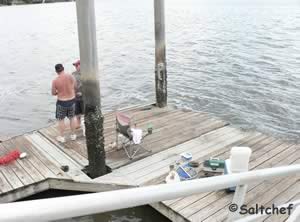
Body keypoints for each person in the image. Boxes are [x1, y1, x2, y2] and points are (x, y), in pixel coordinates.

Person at [52, 64, 77, 143]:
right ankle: (73, 135)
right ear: (63, 69)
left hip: (61, 102)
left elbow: (53, 92)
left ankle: (62, 137)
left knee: (61, 119)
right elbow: (75, 86)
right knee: (72, 118)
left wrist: (58, 92)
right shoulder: (70, 76)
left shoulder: (55, 81)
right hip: (72, 100)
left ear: (56, 71)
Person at [72, 60, 84, 129]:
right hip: (75, 96)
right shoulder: (73, 74)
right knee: (77, 112)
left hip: (84, 96)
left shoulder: (86, 73)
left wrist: (82, 93)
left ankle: (86, 123)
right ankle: (78, 123)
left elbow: (89, 85)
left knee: (85, 111)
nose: (76, 67)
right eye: (75, 65)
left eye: (77, 65)